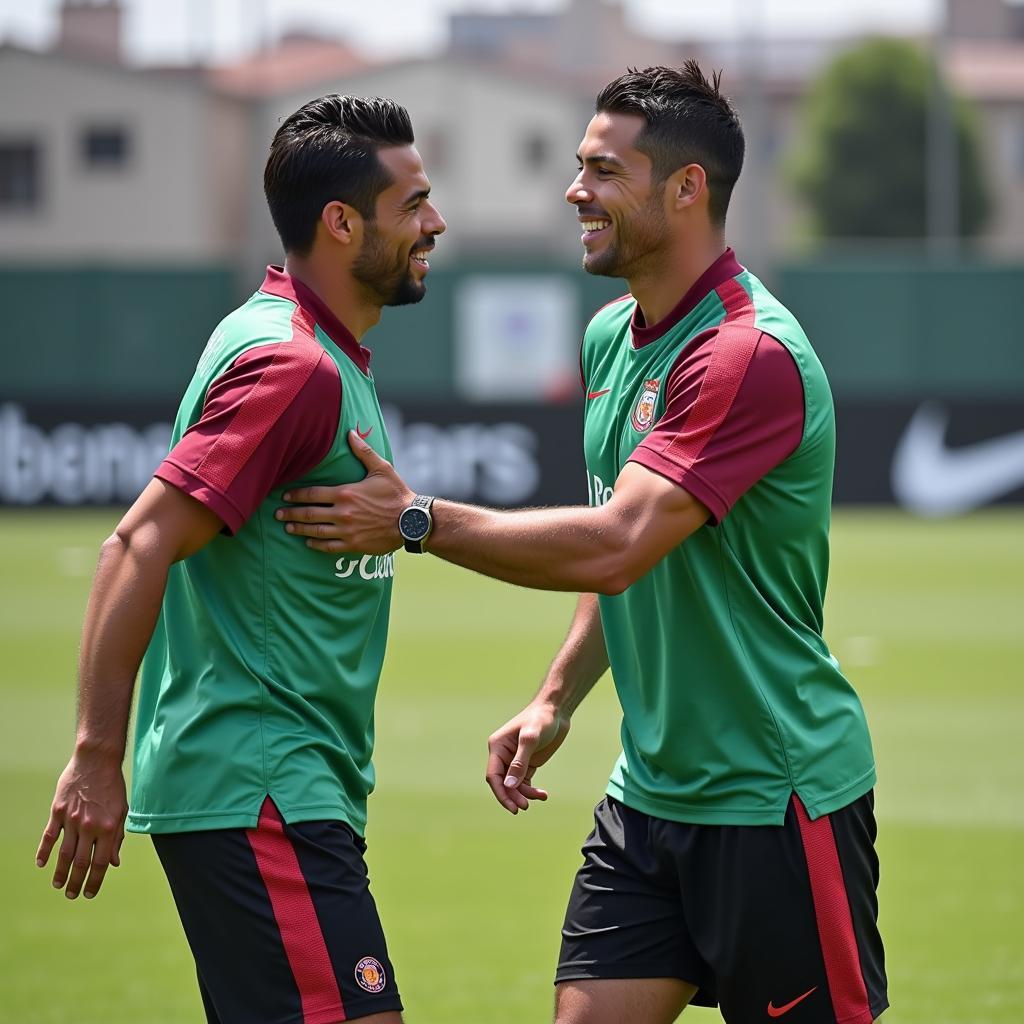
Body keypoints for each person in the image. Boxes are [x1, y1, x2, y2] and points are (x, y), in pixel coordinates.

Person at [276, 63, 888, 1024]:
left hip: (775, 799)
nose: (575, 192)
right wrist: (557, 696)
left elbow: (616, 542)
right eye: (578, 167)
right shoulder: (610, 338)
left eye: (603, 171)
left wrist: (416, 519)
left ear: (687, 189)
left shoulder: (746, 356)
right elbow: (628, 563)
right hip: (648, 800)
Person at [36, 94, 445, 1024]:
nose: (435, 222)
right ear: (342, 224)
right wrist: (97, 754)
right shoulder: (292, 367)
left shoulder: (309, 348)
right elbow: (139, 541)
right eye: (413, 203)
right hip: (262, 790)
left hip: (285, 792)